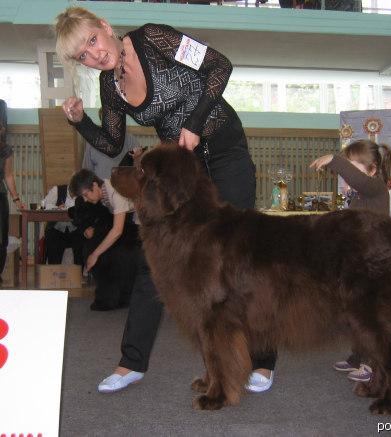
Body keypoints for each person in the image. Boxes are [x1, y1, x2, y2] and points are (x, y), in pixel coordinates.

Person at [55, 6, 274, 394]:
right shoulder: (112, 86)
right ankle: (132, 362)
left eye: (92, 41)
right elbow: (110, 142)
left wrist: (193, 123)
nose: (94, 55)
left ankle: (263, 360)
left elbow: (220, 66)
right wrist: (78, 121)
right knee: (156, 258)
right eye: (82, 56)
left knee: (245, 253)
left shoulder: (154, 39)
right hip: (183, 169)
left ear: (105, 27)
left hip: (224, 147)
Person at [310, 139, 391, 384]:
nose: (349, 174)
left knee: (371, 316)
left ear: (373, 170)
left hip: (373, 267)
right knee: (354, 313)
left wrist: (334, 160)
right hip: (359, 265)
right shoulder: (360, 195)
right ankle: (359, 355)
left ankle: (372, 362)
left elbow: (360, 182)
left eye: (354, 167)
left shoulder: (377, 188)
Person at [69, 169, 138, 311]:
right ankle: (115, 296)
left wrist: (95, 255)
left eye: (86, 195)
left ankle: (124, 297)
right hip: (129, 221)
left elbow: (117, 231)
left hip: (144, 223)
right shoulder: (102, 192)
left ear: (94, 185)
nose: (86, 199)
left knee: (119, 254)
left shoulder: (115, 192)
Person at [0, 99, 25, 284]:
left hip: (0, 196)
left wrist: (17, 199)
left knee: (2, 239)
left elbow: (8, 176)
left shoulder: (5, 149)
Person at [82, 108, 140, 180]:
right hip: (100, 188)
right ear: (102, 122)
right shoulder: (92, 142)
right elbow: (87, 171)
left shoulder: (130, 140)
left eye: (114, 120)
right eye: (107, 121)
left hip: (123, 187)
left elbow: (139, 171)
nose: (111, 124)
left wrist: (137, 158)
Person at [42, 184, 84, 265]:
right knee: (52, 235)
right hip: (57, 228)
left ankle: (78, 273)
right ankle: (53, 270)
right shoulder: (57, 190)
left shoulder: (83, 193)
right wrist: (56, 208)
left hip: (75, 229)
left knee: (82, 237)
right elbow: (45, 205)